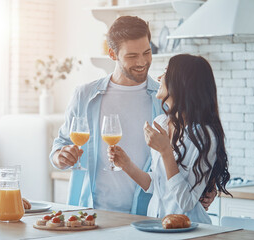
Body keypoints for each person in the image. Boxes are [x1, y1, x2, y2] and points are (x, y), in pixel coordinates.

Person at [49, 16, 216, 215]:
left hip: (145, 215)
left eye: (147, 52)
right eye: (132, 56)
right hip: (92, 213)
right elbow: (60, 145)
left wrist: (207, 186)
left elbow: (194, 150)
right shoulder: (85, 95)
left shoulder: (164, 100)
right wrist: (61, 157)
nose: (142, 62)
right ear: (112, 54)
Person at [108, 54, 231, 222]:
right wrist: (126, 164)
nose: (159, 77)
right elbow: (156, 184)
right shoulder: (161, 123)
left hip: (189, 230)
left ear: (182, 83)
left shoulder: (204, 135)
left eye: (166, 72)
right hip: (157, 224)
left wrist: (166, 151)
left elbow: (186, 202)